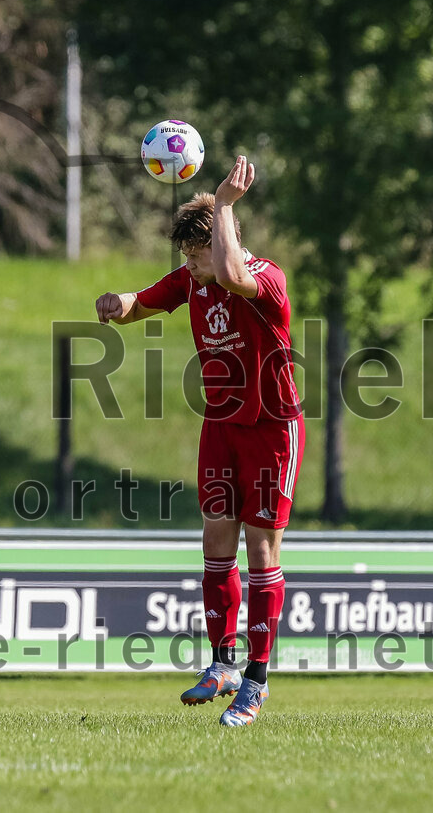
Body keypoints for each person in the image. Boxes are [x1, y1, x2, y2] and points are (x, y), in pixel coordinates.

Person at [95, 157, 304, 727]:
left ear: (222, 244)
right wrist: (120, 304)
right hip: (221, 426)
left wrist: (226, 204)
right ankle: (223, 664)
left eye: (198, 256)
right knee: (215, 541)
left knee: (261, 551)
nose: (191, 267)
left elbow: (235, 275)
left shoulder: (266, 279)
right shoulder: (193, 280)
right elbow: (145, 301)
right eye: (186, 258)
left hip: (270, 427)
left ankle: (257, 683)